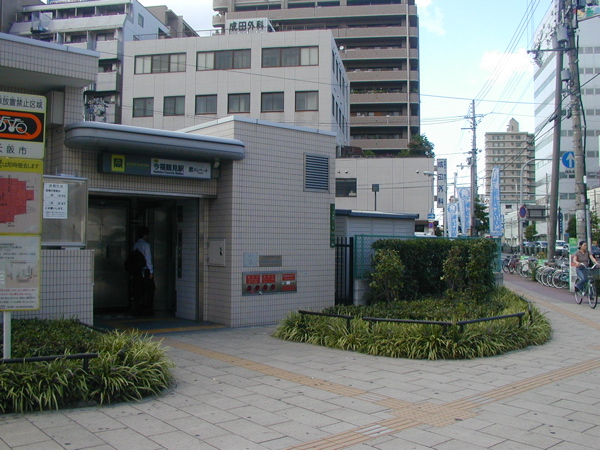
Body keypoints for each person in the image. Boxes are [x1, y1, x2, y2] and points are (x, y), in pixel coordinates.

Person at [132, 226, 155, 316]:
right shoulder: (146, 245)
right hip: (145, 271)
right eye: (147, 234)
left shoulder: (136, 244)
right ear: (145, 235)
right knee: (150, 289)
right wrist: (151, 271)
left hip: (137, 271)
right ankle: (148, 309)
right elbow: (148, 258)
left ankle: (137, 309)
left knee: (138, 291)